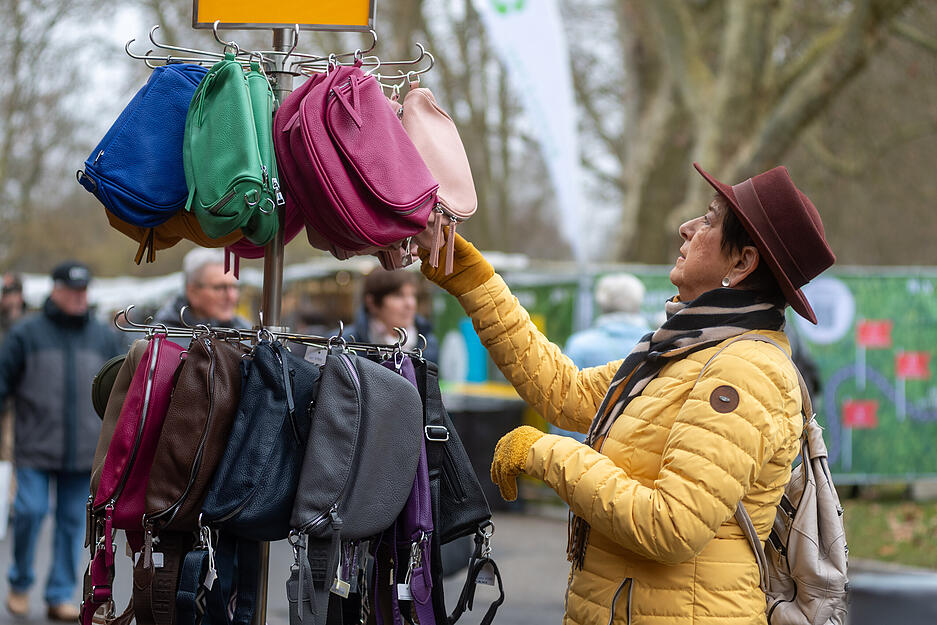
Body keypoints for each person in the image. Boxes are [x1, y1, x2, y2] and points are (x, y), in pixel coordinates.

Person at [415, 163, 835, 625]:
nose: (687, 227)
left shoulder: (744, 371)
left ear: (741, 262)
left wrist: (544, 452)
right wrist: (473, 279)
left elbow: (673, 524)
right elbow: (565, 390)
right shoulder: (688, 350)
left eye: (710, 220)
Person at [0, 262, 123, 620]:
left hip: (85, 452)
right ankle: (20, 584)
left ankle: (58, 595)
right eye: (72, 290)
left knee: (73, 524)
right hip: (34, 448)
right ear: (54, 290)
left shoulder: (103, 336)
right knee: (29, 512)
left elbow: (121, 390)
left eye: (83, 290)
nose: (78, 297)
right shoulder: (26, 334)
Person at [344, 268, 439, 364]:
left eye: (413, 295)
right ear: (372, 303)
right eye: (398, 295)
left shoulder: (428, 343)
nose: (410, 304)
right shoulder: (344, 343)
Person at [566, 273, 650, 369]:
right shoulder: (657, 344)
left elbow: (568, 382)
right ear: (639, 301)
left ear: (601, 303)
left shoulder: (579, 344)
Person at [154, 248, 250, 329]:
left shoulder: (247, 335)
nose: (231, 296)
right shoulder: (161, 340)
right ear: (192, 292)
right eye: (220, 288)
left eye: (234, 287)